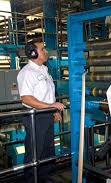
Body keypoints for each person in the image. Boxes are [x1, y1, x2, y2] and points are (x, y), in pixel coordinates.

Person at [17, 38, 64, 183]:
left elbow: (48, 93)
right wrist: (51, 107)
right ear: (33, 53)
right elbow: (26, 99)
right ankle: (31, 179)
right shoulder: (27, 72)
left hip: (46, 114)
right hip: (35, 117)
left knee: (48, 148)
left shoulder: (44, 69)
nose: (45, 51)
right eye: (42, 49)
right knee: (35, 150)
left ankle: (44, 177)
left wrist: (53, 111)